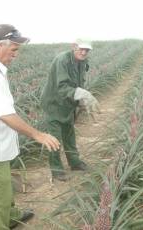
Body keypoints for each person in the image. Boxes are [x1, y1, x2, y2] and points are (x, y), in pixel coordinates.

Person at [0, 24, 61, 230]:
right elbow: (4, 113)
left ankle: (11, 215)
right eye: (14, 49)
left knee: (3, 183)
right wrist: (38, 135)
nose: (16, 54)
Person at [40, 38, 100, 181]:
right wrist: (82, 94)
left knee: (69, 133)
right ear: (74, 46)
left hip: (67, 103)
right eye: (81, 49)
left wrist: (80, 101)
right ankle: (56, 170)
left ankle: (75, 162)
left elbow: (78, 83)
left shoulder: (82, 62)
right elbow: (62, 87)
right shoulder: (63, 60)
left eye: (87, 50)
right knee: (55, 137)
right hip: (54, 102)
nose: (84, 52)